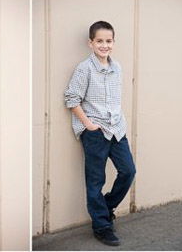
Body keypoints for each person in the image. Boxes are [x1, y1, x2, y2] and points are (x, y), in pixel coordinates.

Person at [64, 21, 136, 247]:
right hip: (95, 132)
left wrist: (118, 121)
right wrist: (88, 124)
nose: (104, 45)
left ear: (113, 42)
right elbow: (71, 98)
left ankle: (105, 208)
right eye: (100, 41)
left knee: (128, 171)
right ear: (91, 43)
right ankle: (102, 226)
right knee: (95, 180)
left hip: (116, 129)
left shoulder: (118, 68)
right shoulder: (84, 69)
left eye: (108, 41)